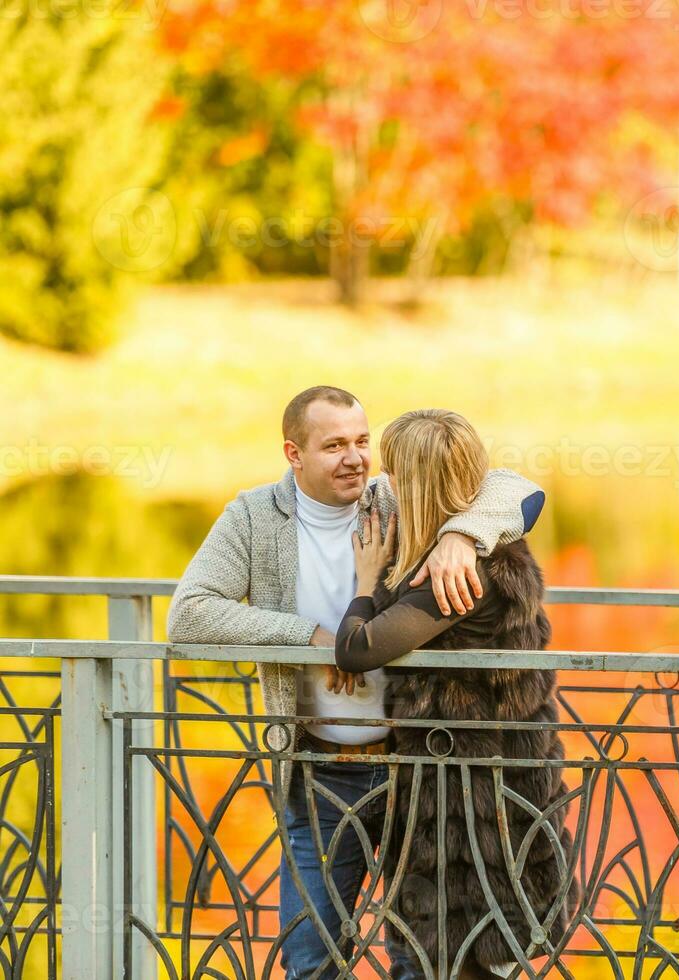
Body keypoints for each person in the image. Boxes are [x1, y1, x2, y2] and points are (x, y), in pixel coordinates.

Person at [166, 386, 546, 980]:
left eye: (363, 442)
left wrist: (460, 536)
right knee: (312, 956)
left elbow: (516, 489)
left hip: (413, 770)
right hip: (320, 775)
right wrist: (310, 636)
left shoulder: (394, 497)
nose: (355, 459)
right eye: (335, 445)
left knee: (421, 958)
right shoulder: (254, 516)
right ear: (294, 453)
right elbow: (188, 614)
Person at [336, 409, 578, 979]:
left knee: (461, 955)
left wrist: (368, 585)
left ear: (420, 486)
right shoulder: (466, 546)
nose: (383, 482)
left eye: (395, 473)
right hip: (473, 786)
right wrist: (458, 531)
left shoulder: (462, 577)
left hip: (474, 809)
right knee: (452, 958)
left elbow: (358, 649)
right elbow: (513, 483)